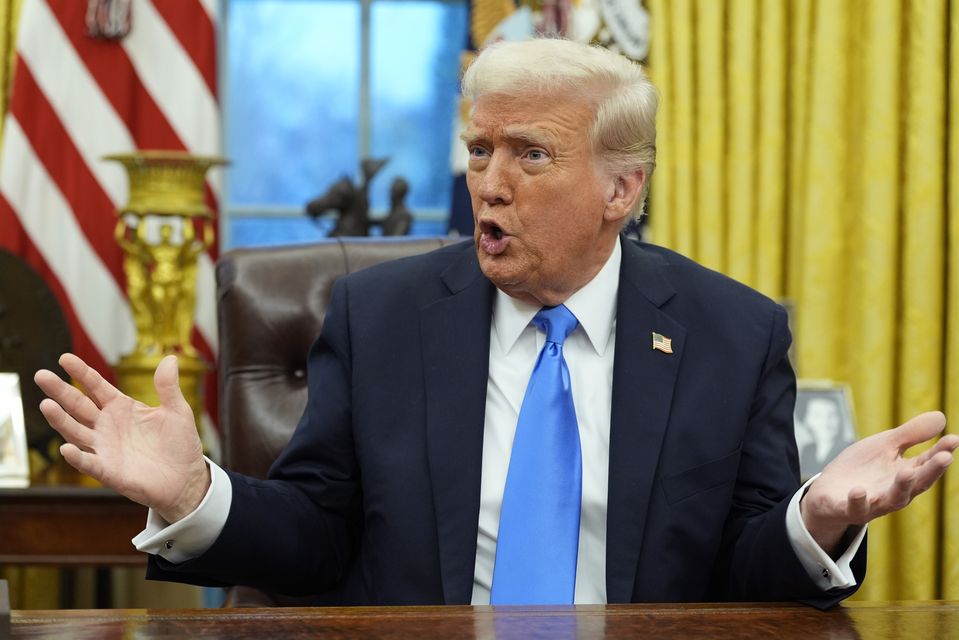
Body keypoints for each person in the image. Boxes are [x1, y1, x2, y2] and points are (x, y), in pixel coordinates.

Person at [35, 39, 956, 608]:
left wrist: (817, 520)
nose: (490, 180)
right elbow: (317, 533)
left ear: (619, 190)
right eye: (479, 149)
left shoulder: (731, 332)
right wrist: (195, 494)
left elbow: (747, 562)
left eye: (530, 154)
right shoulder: (381, 316)